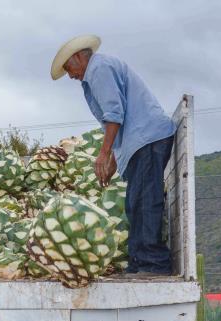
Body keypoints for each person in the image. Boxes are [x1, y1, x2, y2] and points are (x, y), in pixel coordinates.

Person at [51, 35, 176, 276]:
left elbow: (114, 113)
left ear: (79, 57)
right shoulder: (96, 72)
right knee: (134, 203)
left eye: (69, 68)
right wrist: (113, 159)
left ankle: (154, 263)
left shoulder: (99, 69)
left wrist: (103, 154)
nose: (70, 75)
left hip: (148, 138)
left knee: (145, 201)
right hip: (139, 142)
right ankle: (139, 262)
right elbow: (120, 118)